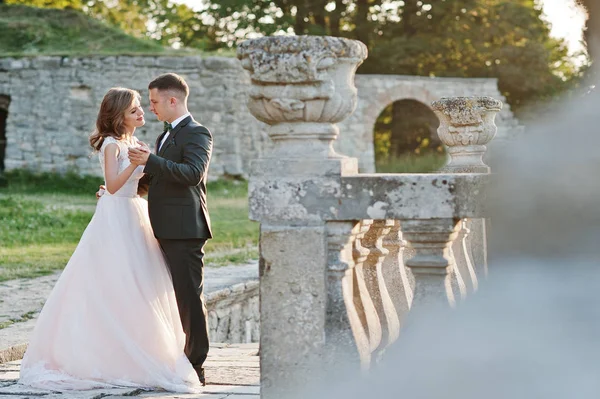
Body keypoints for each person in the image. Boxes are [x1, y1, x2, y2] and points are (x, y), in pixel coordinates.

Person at [18, 88, 202, 393]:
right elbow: (114, 186)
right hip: (116, 215)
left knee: (141, 282)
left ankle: (140, 349)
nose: (142, 112)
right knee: (113, 280)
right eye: (134, 110)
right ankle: (100, 354)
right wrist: (134, 163)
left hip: (135, 213)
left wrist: (142, 161)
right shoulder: (111, 144)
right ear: (119, 116)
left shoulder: (135, 142)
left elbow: (138, 182)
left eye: (142, 107)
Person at [128, 73, 213, 385]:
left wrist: (151, 161)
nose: (150, 108)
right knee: (165, 296)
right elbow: (161, 177)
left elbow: (192, 173)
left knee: (189, 297)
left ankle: (196, 364)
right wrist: (122, 189)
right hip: (160, 227)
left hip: (185, 229)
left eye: (154, 102)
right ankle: (170, 355)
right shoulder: (165, 135)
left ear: (172, 100)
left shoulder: (197, 133)